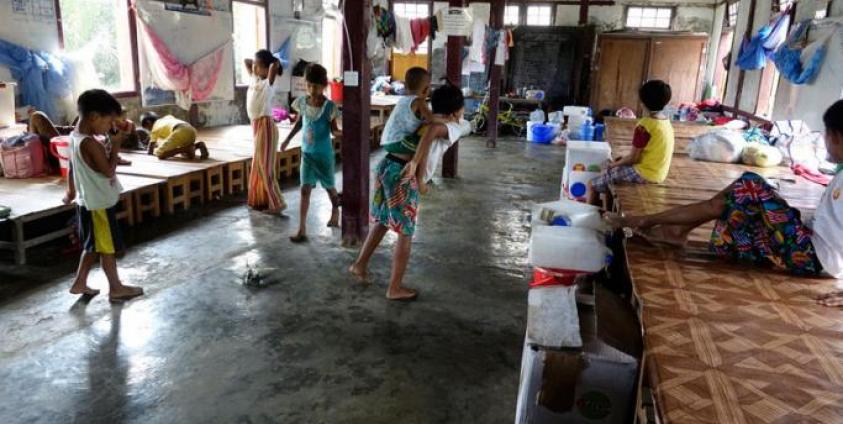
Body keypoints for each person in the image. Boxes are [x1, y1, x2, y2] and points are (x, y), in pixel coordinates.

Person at [608, 100, 843, 282]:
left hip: (812, 255)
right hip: (806, 242)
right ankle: (670, 228)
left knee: (748, 187)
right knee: (745, 192)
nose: (824, 139)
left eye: (827, 134)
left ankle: (652, 223)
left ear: (838, 137)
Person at [349, 83, 466, 301]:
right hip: (402, 175)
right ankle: (394, 288)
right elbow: (431, 132)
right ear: (455, 110)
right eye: (462, 108)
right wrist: (419, 177)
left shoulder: (428, 118)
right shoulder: (446, 126)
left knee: (383, 220)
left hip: (387, 166)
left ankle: (360, 264)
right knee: (406, 231)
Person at [65, 89, 143, 302]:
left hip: (86, 202)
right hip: (98, 204)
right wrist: (116, 145)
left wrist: (70, 191)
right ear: (94, 117)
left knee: (93, 245)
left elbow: (73, 167)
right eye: (109, 122)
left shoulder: (75, 136)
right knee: (106, 248)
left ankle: (80, 282)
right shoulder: (90, 143)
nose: (111, 127)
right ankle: (116, 287)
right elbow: (108, 171)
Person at [588, 80, 674, 205]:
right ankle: (607, 213)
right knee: (614, 171)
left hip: (645, 174)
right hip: (659, 173)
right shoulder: (665, 122)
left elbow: (633, 158)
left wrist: (613, 165)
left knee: (592, 184)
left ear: (643, 101)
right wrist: (621, 162)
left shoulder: (645, 125)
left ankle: (587, 221)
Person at [282, 63, 342, 242]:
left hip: (323, 155)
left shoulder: (329, 107)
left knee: (329, 188)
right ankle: (301, 228)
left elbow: (334, 130)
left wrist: (344, 134)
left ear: (324, 86)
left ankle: (335, 210)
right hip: (307, 154)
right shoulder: (302, 102)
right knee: (304, 190)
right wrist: (287, 139)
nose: (312, 89)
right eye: (308, 85)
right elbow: (300, 123)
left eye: (316, 86)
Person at [245, 49, 287, 214]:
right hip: (256, 126)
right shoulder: (255, 79)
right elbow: (246, 61)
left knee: (265, 167)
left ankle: (276, 203)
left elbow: (272, 70)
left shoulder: (268, 83)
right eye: (254, 66)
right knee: (257, 165)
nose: (254, 68)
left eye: (258, 66)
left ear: (267, 68)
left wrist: (273, 64)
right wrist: (256, 65)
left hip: (265, 126)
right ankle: (260, 200)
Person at [379, 67, 445, 149]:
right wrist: (449, 120)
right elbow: (431, 119)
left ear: (405, 85)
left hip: (387, 140)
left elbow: (426, 117)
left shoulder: (403, 100)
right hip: (398, 142)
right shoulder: (419, 101)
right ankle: (419, 161)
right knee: (431, 142)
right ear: (426, 89)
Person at [141, 112, 208, 160]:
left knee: (160, 153)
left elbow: (150, 151)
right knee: (184, 155)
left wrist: (149, 149)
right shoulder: (167, 118)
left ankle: (187, 148)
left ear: (148, 122)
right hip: (191, 130)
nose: (148, 131)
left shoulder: (154, 128)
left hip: (180, 131)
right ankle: (198, 145)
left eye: (147, 128)